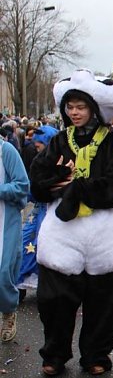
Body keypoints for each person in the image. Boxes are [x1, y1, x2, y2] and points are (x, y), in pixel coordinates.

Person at [30, 69, 113, 377]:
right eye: (70, 107)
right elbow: (37, 180)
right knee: (54, 300)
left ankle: (96, 355)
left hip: (106, 235)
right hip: (64, 233)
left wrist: (74, 187)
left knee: (106, 301)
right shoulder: (60, 141)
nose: (74, 112)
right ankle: (55, 354)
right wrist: (61, 180)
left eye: (81, 107)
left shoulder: (111, 143)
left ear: (93, 110)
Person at [17, 125, 60, 301]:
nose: (37, 147)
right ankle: (21, 282)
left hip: (53, 212)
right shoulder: (40, 160)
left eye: (39, 144)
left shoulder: (59, 162)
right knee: (25, 243)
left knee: (46, 247)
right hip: (38, 212)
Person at [0, 132, 30, 341]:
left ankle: (8, 312)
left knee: (3, 273)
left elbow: (22, 185)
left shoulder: (6, 151)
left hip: (4, 221)